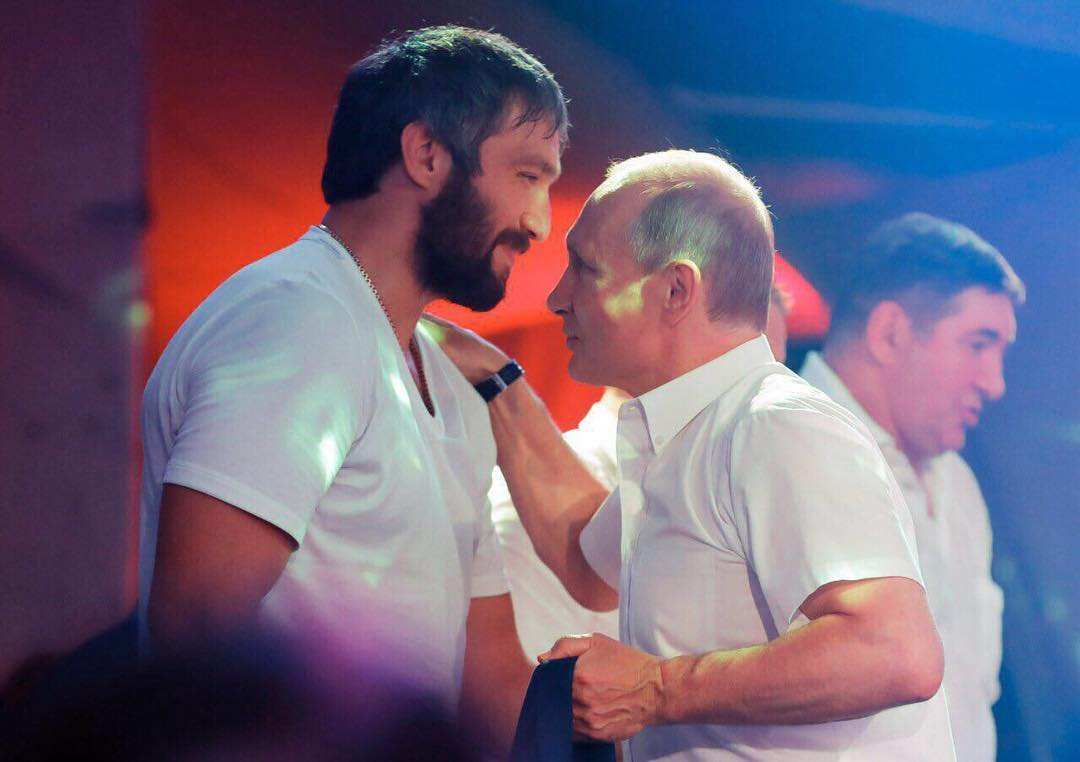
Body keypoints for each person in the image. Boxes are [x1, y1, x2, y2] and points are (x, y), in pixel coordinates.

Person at [433, 149, 955, 760]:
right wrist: (498, 382)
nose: (557, 297)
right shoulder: (692, 434)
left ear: (676, 290)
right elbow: (583, 558)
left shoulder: (775, 424)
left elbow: (892, 651)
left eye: (585, 270)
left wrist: (655, 689)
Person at [138, 25, 567, 754]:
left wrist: (652, 706)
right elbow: (198, 629)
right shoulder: (301, 320)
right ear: (426, 154)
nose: (540, 222)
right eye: (528, 175)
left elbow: (492, 677)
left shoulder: (451, 387)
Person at [800, 212, 1023, 761]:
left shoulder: (957, 482)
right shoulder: (784, 450)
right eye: (978, 344)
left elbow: (970, 697)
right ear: (890, 333)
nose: (995, 383)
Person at [483, 284, 791, 660]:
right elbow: (529, 685)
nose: (764, 392)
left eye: (773, 368)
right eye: (740, 367)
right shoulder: (525, 507)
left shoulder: (745, 485)